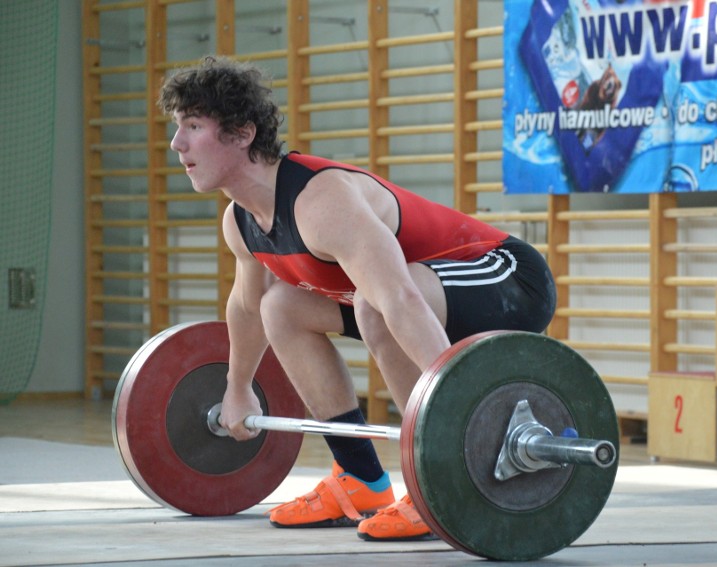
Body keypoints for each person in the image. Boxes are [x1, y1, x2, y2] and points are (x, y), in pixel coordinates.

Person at [158, 56, 556, 542]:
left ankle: (437, 479)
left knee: (375, 304)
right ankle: (361, 480)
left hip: (506, 276)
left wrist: (465, 416)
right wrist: (237, 388)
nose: (177, 144)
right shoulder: (240, 222)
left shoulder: (321, 201)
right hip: (413, 297)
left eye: (193, 126)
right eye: (178, 127)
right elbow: (245, 309)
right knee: (279, 307)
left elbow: (402, 301)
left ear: (242, 134)